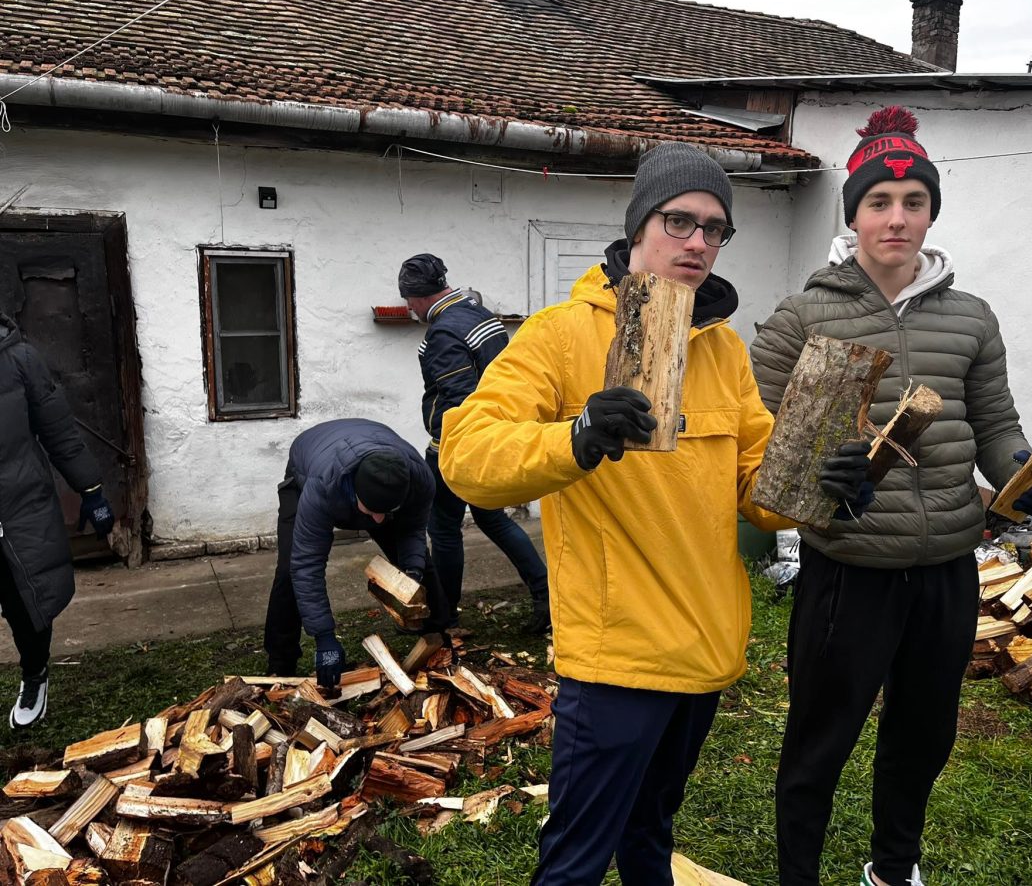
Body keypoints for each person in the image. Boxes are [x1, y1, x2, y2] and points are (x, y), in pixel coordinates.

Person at [438, 142, 794, 885]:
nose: (698, 241)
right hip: (618, 659)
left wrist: (819, 483)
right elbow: (467, 456)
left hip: (707, 649)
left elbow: (755, 487)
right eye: (680, 221)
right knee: (575, 861)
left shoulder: (723, 348)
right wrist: (578, 437)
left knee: (650, 834)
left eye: (716, 229)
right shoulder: (560, 336)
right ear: (638, 229)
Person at [750, 107, 1032, 886]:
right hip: (849, 566)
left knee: (923, 734)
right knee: (820, 738)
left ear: (932, 212)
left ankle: (894, 867)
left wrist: (1030, 475)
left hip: (946, 567)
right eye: (879, 204)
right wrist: (819, 473)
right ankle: (799, 873)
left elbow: (994, 425)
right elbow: (753, 434)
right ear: (853, 214)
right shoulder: (804, 315)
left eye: (914, 202)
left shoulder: (971, 318)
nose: (898, 219)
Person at [398, 253, 552, 634]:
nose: (408, 309)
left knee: (445, 527)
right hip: (495, 432)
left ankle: (444, 615)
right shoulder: (478, 312)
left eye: (408, 301)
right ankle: (545, 593)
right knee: (491, 518)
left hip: (459, 443)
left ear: (417, 297)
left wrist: (447, 446)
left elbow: (458, 396)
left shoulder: (443, 332)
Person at [0, 313, 114, 729]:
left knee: (26, 605)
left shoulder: (19, 360)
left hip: (18, 508)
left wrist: (91, 491)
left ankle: (35, 676)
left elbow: (58, 430)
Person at [263, 418, 439, 687]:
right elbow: (307, 564)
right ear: (355, 493)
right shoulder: (322, 487)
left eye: (387, 513)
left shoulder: (420, 480)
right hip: (309, 462)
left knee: (419, 565)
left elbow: (412, 532)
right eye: (371, 512)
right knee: (289, 569)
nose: (378, 522)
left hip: (370, 443)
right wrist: (324, 638)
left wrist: (411, 575)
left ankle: (438, 632)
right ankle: (280, 661)